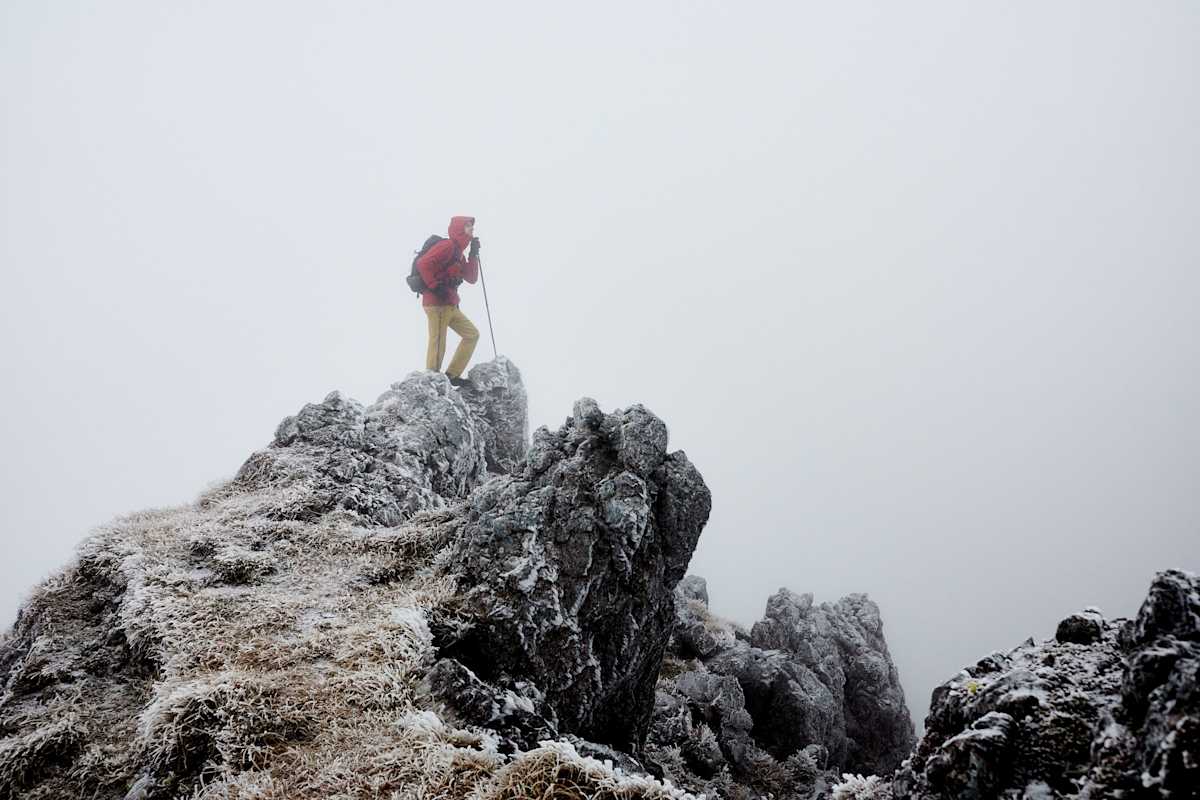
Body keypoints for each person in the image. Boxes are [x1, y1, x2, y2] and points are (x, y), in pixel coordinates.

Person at [416, 216, 480, 387]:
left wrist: (473, 254)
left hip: (450, 304)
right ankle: (432, 381)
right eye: (468, 227)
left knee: (472, 335)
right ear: (460, 229)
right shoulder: (448, 246)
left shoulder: (459, 253)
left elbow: (472, 278)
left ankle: (452, 374)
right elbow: (423, 264)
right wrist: (436, 287)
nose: (472, 230)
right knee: (438, 343)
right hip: (436, 303)